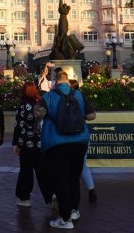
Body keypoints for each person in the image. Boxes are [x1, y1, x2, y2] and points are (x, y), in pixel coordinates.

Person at [40, 69, 96, 229]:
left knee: (61, 179)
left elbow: (38, 113)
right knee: (74, 176)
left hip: (58, 143)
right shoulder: (78, 95)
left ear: (55, 81)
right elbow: (92, 115)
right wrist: (78, 117)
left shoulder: (49, 96)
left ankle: (65, 219)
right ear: (67, 80)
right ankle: (74, 210)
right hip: (80, 142)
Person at [13, 80, 55, 207]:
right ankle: (51, 194)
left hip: (26, 143)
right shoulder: (41, 104)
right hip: (40, 142)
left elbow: (19, 125)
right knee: (43, 171)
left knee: (26, 171)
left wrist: (15, 143)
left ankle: (24, 198)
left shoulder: (23, 106)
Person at [69, 79, 97, 203]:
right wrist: (82, 116)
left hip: (68, 137)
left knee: (68, 165)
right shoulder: (81, 98)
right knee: (82, 164)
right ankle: (91, 189)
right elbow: (92, 115)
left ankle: (69, 198)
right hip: (82, 136)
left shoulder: (60, 98)